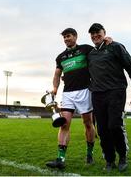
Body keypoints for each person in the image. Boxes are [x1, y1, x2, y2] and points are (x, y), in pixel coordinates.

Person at [46, 28, 112, 169]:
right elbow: (57, 75)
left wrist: (108, 41)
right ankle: (60, 159)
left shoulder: (86, 49)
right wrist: (55, 88)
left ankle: (89, 154)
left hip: (85, 91)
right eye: (64, 37)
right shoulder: (60, 57)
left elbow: (100, 50)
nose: (66, 39)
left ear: (75, 36)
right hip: (68, 94)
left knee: (88, 124)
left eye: (68, 36)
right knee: (64, 124)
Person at [87, 23, 131, 172]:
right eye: (92, 34)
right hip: (97, 94)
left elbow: (130, 65)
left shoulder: (115, 46)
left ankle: (123, 157)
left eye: (97, 32)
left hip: (115, 91)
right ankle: (109, 160)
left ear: (104, 32)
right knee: (102, 129)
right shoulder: (91, 54)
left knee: (114, 125)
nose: (95, 36)